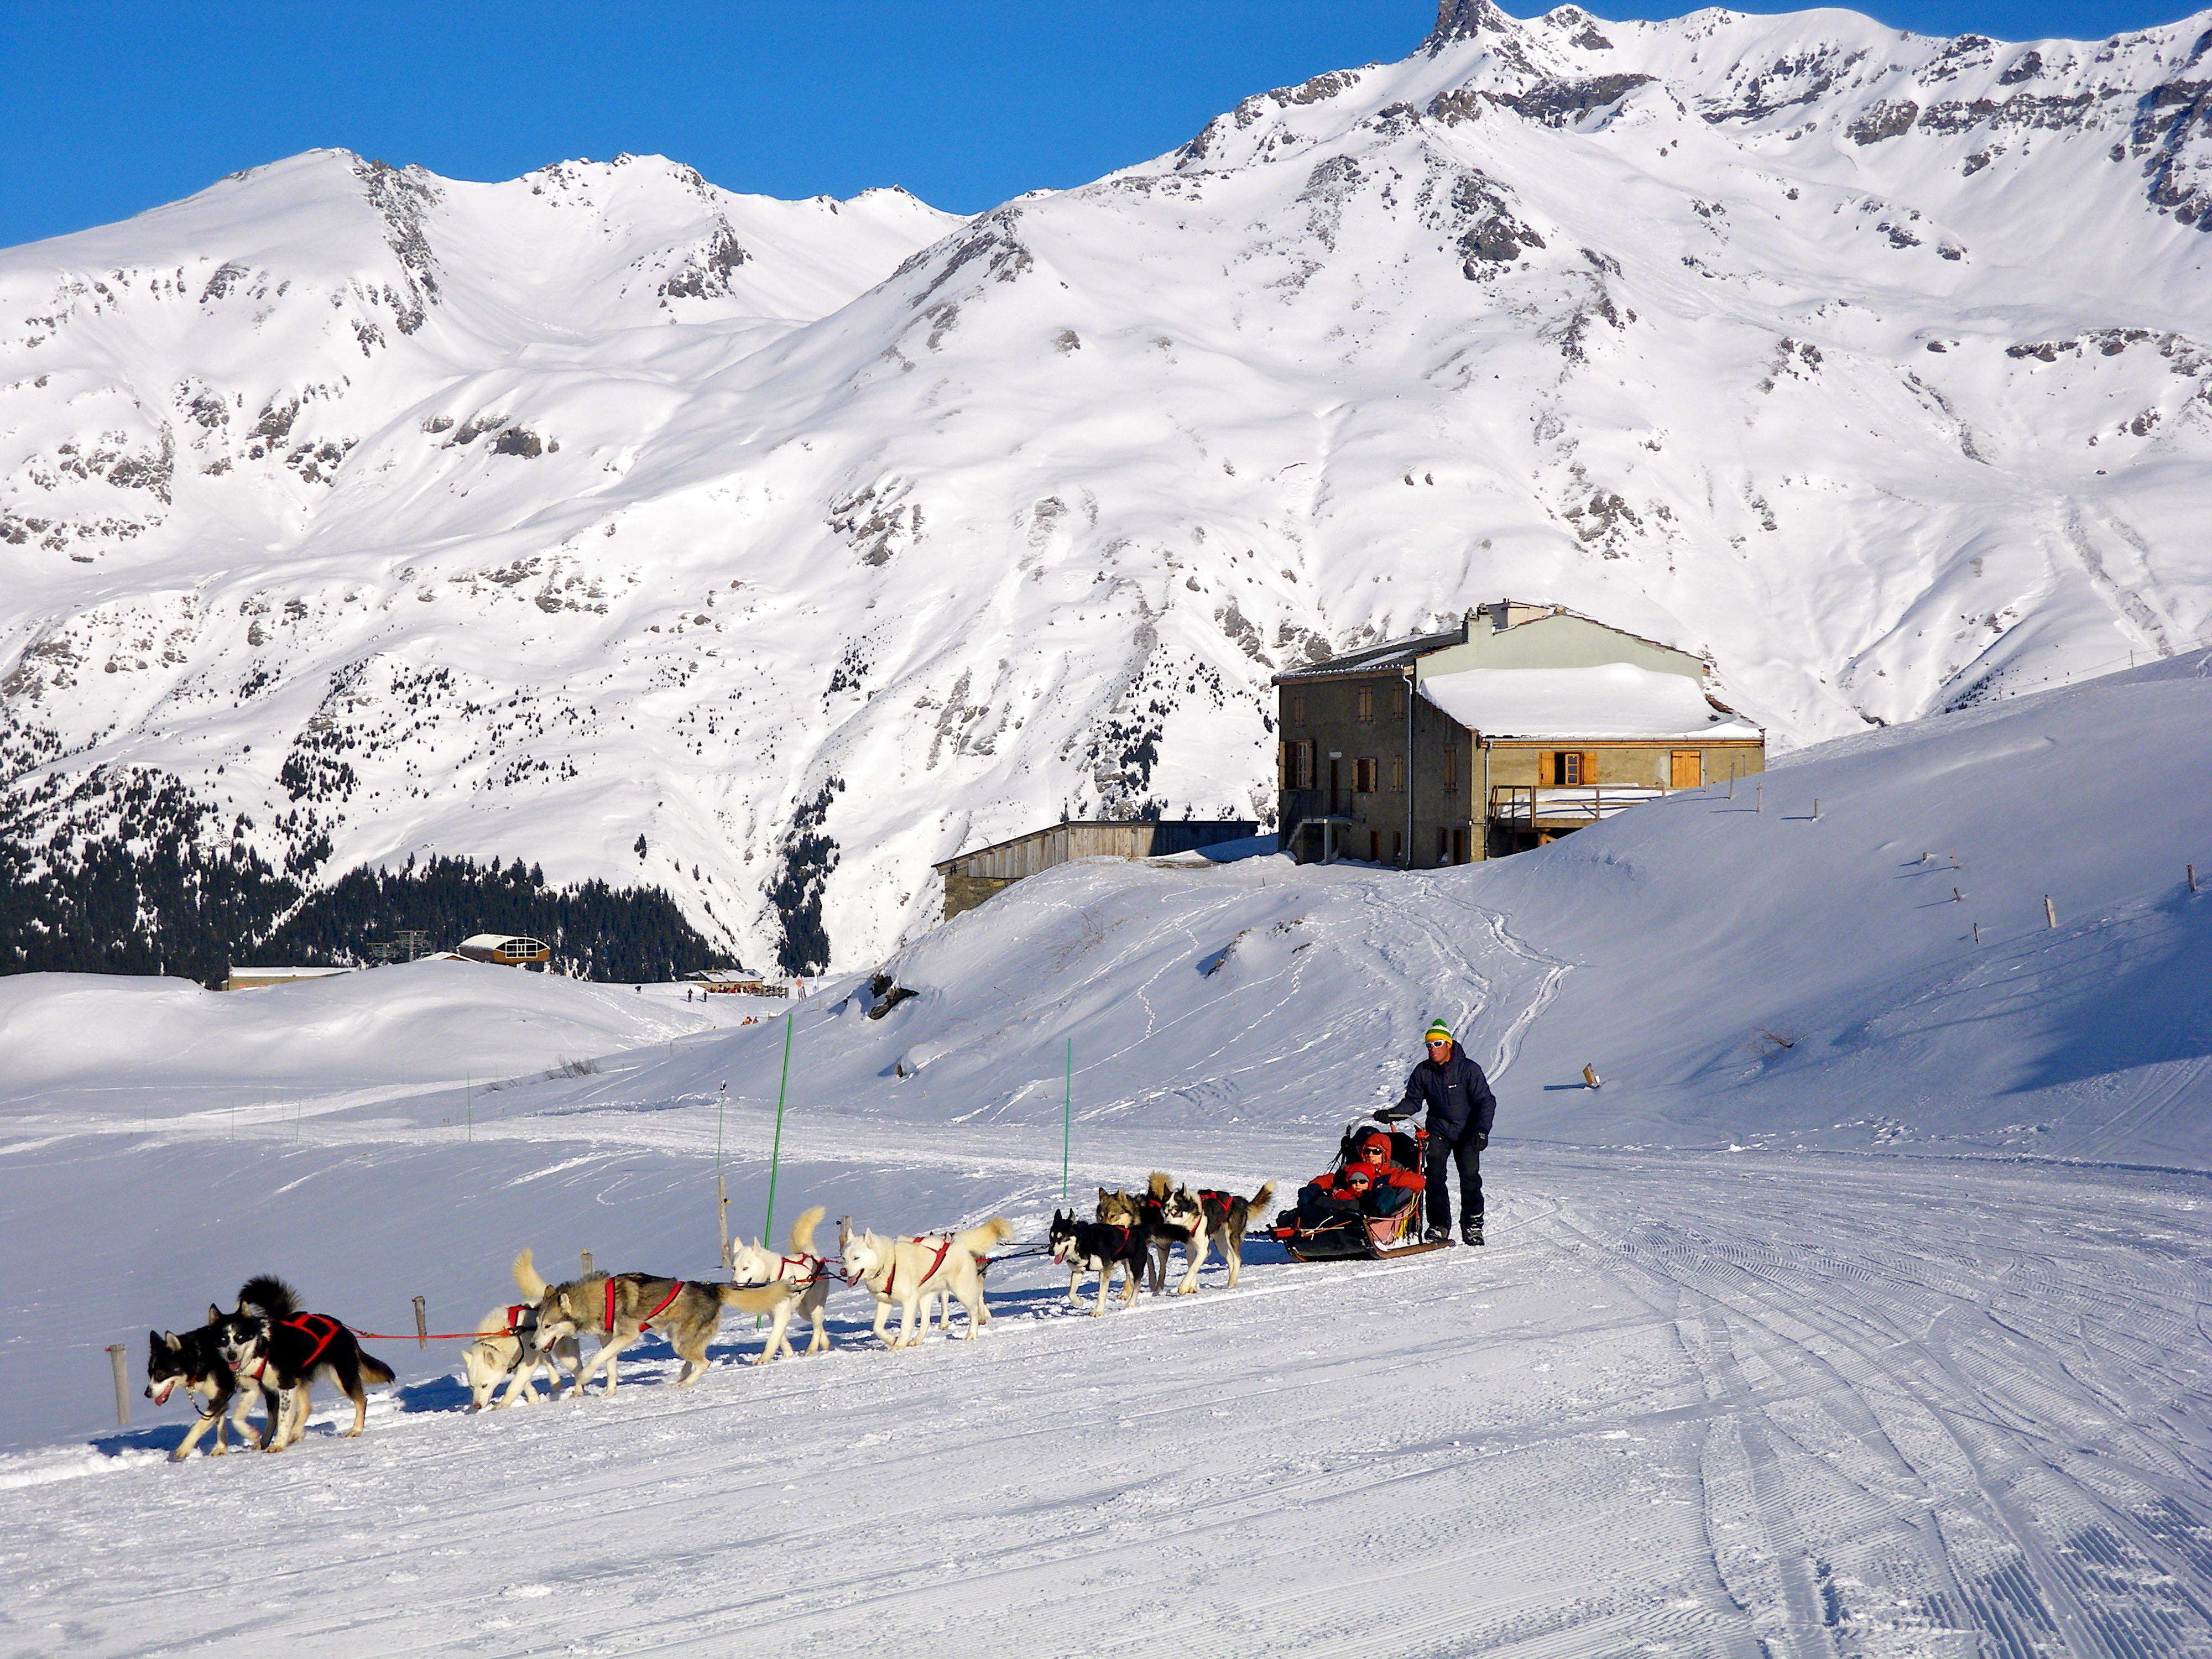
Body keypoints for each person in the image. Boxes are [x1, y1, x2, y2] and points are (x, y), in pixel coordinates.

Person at [1384, 1020, 1496, 1246]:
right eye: (1428, 1045)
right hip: (1439, 1130)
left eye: (1436, 1043)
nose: (1432, 1049)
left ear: (1448, 1044)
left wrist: (1482, 1130)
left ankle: (1473, 1226)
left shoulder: (1468, 1069)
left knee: (1470, 1178)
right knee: (1434, 1177)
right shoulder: (1423, 1072)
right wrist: (1392, 1114)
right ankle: (1439, 1225)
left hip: (1468, 1132)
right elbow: (1413, 1103)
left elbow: (1486, 1100)